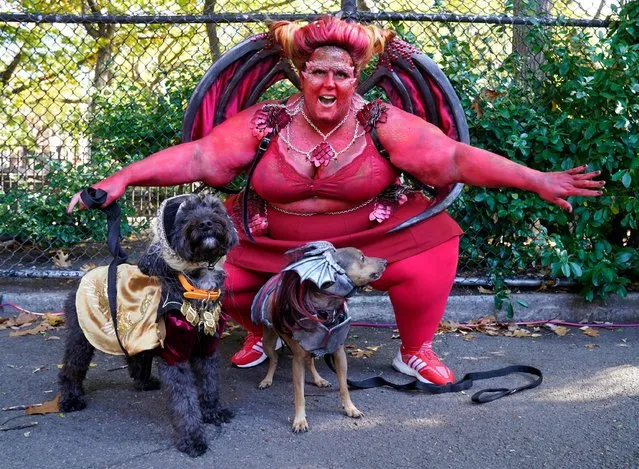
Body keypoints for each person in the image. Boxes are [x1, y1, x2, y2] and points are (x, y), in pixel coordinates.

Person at [67, 16, 604, 386]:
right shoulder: (266, 120)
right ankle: (259, 334)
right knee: (213, 261)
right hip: (273, 235)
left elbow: (455, 160)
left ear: (355, 78)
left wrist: (535, 179)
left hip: (364, 234)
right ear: (301, 76)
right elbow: (200, 158)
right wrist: (123, 178)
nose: (329, 82)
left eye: (341, 73)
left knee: (435, 246)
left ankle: (415, 350)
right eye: (317, 72)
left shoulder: (382, 120)